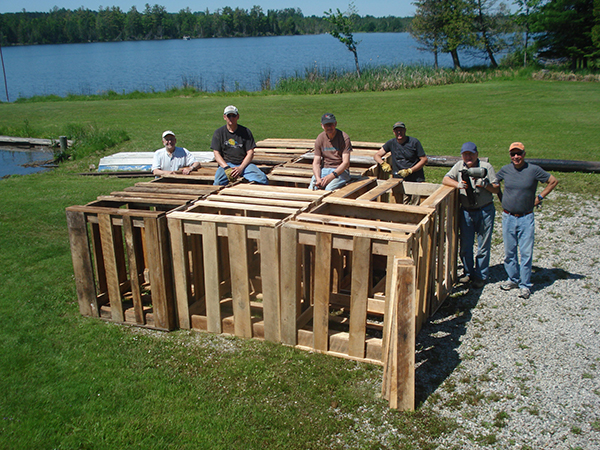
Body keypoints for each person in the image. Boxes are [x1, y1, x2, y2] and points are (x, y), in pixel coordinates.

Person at [493, 142, 559, 299]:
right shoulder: (505, 170)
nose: (516, 157)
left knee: (526, 253)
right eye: (513, 154)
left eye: (519, 153)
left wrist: (540, 197)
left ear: (524, 154)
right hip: (508, 216)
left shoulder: (533, 170)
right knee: (509, 252)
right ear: (509, 155)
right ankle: (513, 279)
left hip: (526, 217)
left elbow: (553, 181)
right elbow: (495, 183)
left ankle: (525, 285)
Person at [443, 142, 499, 288]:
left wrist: (485, 184)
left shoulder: (486, 167)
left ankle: (480, 276)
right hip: (466, 211)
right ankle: (468, 273)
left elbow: (496, 189)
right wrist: (458, 185)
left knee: (483, 245)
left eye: (471, 154)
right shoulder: (459, 166)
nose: (468, 157)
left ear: (477, 154)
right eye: (465, 154)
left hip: (484, 210)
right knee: (466, 245)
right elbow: (445, 179)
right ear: (462, 155)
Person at [211, 105, 268, 186]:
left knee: (262, 179)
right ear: (224, 117)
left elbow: (250, 152)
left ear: (238, 117)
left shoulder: (245, 132)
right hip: (227, 164)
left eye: (233, 116)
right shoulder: (219, 133)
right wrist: (226, 168)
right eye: (229, 116)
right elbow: (216, 153)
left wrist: (240, 168)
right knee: (217, 183)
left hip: (244, 164)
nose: (231, 118)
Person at [374, 121, 428, 204]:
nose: (399, 132)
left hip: (415, 179)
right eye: (397, 130)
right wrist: (383, 164)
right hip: (399, 179)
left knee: (415, 205)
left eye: (401, 130)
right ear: (393, 132)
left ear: (405, 130)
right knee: (401, 204)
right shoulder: (391, 143)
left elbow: (424, 159)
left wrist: (410, 170)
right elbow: (377, 155)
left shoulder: (414, 142)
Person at [308, 113, 352, 191]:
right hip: (324, 169)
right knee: (312, 188)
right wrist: (318, 178)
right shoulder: (320, 138)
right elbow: (316, 162)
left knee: (328, 189)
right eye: (326, 125)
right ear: (322, 126)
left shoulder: (344, 138)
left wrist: (331, 176)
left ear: (335, 124)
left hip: (340, 171)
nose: (329, 127)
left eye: (331, 124)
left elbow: (345, 163)